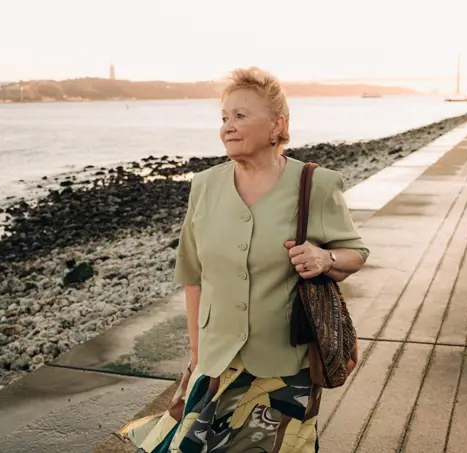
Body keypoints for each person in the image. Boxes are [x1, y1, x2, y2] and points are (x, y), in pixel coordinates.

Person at [118, 67, 369, 452]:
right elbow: (193, 276)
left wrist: (325, 257)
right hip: (217, 361)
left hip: (285, 366)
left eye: (240, 116)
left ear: (277, 125)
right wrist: (199, 355)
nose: (227, 128)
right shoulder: (204, 186)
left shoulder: (316, 184)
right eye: (223, 118)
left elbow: (356, 253)